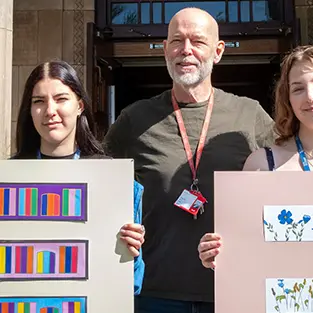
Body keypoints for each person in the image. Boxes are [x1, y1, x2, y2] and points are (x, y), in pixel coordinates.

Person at [104, 7, 274, 313]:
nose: (186, 50)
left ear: (218, 51)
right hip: (154, 292)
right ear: (165, 49)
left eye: (197, 41)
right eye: (176, 41)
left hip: (233, 290)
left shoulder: (251, 116)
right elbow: (98, 188)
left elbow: (286, 187)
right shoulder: (134, 119)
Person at [198, 45, 313, 269]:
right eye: (298, 89)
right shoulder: (262, 164)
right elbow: (242, 249)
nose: (310, 97)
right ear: (288, 99)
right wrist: (218, 255)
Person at [12, 60, 145, 294]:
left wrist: (130, 255)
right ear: (29, 110)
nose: (50, 110)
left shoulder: (114, 182)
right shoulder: (8, 182)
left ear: (80, 106)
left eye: (61, 99)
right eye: (39, 101)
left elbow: (133, 284)